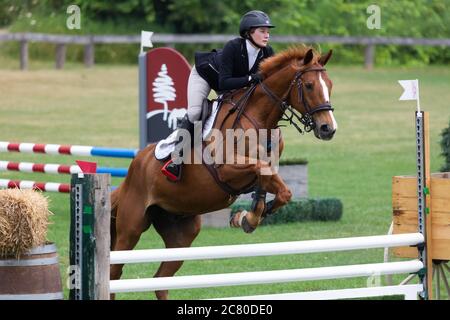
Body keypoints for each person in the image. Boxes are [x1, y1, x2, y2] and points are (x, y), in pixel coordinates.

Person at [161, 10, 275, 181]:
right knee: (195, 112)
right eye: (262, 31)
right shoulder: (234, 47)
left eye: (268, 31)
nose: (267, 35)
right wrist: (251, 78)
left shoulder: (267, 52)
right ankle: (176, 160)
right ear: (248, 33)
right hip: (206, 75)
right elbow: (224, 83)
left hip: (234, 84)